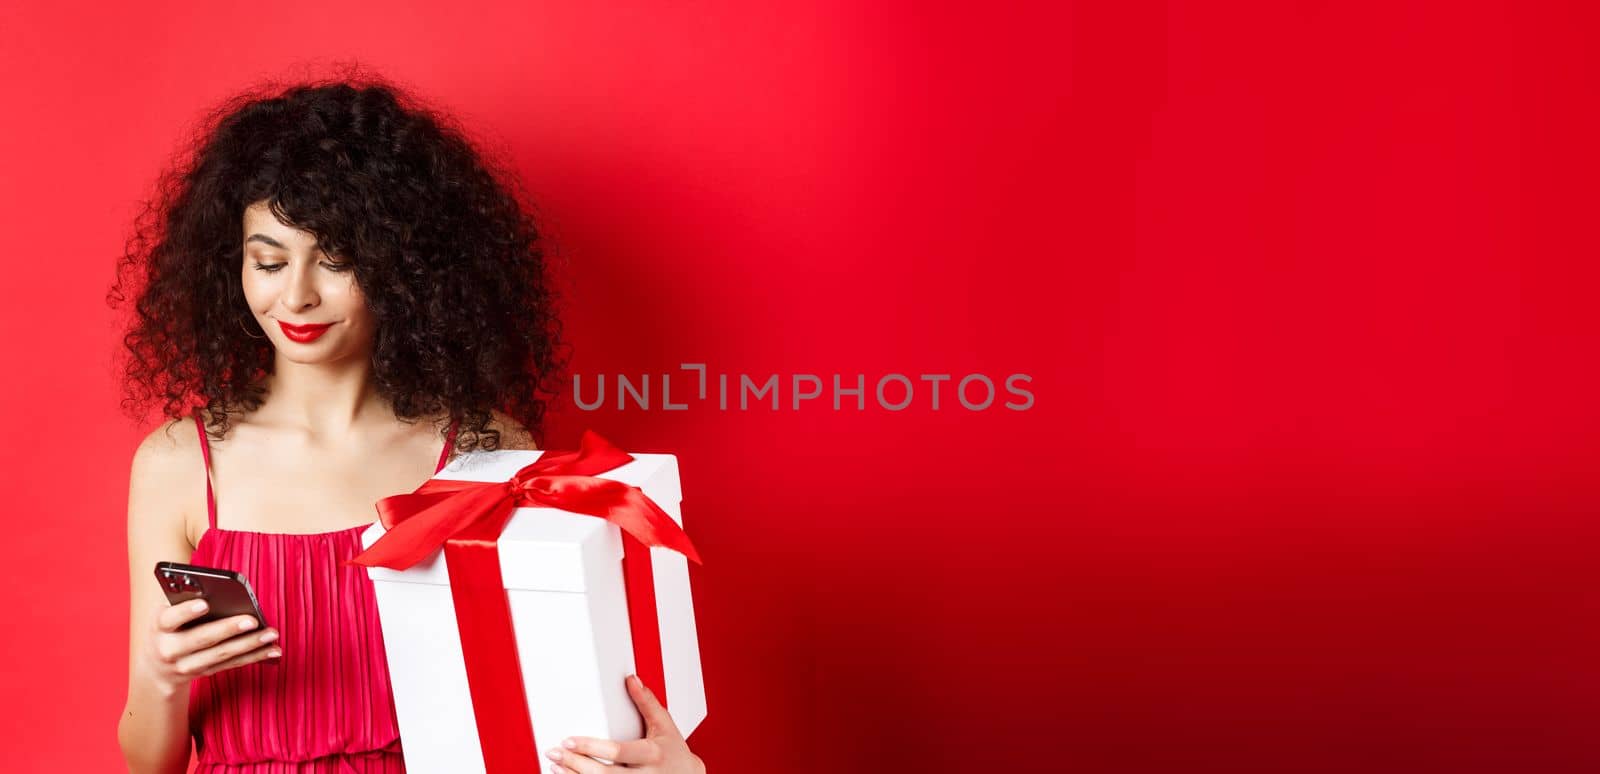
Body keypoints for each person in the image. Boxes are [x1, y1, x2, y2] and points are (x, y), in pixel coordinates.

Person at [109, 74, 706, 774]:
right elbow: (149, 764)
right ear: (230, 264)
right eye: (268, 261)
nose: (296, 296)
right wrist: (162, 677)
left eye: (336, 260)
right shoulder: (181, 463)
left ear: (401, 269)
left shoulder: (485, 452)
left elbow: (552, 690)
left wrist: (670, 764)